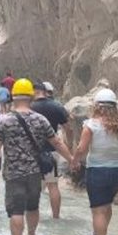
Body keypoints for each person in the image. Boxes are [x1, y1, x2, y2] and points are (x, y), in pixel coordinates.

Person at [0, 79, 74, 235]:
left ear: (13, 97)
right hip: (35, 172)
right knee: (33, 207)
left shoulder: (5, 121)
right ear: (30, 97)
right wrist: (72, 159)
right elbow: (57, 142)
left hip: (13, 173)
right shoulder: (40, 119)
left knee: (16, 211)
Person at [70, 88, 118, 235]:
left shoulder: (91, 125)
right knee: (106, 205)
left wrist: (74, 161)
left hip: (97, 172)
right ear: (114, 107)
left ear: (97, 106)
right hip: (117, 173)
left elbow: (81, 149)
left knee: (98, 210)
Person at [31, 80, 73, 219]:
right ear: (45, 91)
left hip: (33, 152)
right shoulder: (56, 106)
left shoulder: (29, 107)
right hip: (52, 151)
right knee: (53, 185)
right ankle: (56, 217)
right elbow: (68, 128)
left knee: (34, 187)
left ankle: (33, 216)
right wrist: (69, 145)